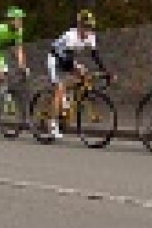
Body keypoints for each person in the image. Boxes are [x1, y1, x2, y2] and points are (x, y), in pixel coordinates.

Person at [47, 9, 112, 139]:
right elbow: (67, 62)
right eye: (86, 27)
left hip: (67, 58)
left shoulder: (91, 36)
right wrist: (78, 69)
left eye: (90, 27)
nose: (88, 30)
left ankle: (67, 101)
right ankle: (52, 123)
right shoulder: (71, 36)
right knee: (60, 88)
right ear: (79, 26)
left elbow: (95, 56)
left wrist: (105, 71)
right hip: (55, 58)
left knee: (83, 76)